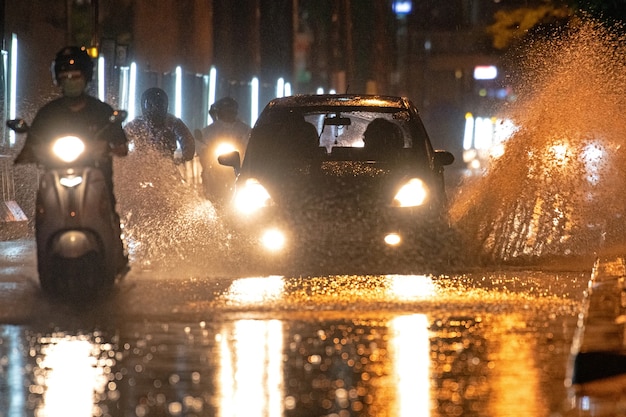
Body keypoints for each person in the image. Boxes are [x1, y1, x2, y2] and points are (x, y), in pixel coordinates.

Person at [14, 45, 128, 267]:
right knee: (43, 210)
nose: (71, 81)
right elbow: (30, 150)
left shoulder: (102, 111)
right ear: (58, 80)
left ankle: (116, 256)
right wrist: (33, 154)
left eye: (75, 76)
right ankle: (45, 255)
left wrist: (106, 147)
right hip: (56, 176)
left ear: (86, 78)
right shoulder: (48, 114)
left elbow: (122, 148)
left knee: (109, 210)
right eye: (65, 77)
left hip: (97, 176)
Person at [196, 97, 251, 203]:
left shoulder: (244, 129)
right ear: (220, 112)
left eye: (231, 110)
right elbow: (201, 144)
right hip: (216, 167)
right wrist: (205, 151)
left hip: (239, 167)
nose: (229, 113)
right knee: (209, 179)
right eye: (226, 110)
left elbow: (249, 144)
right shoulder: (210, 130)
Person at [124, 87, 195, 164]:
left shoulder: (172, 122)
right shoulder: (136, 124)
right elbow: (119, 140)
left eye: (158, 105)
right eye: (151, 106)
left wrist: (184, 157)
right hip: (140, 167)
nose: (155, 109)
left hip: (165, 166)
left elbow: (187, 141)